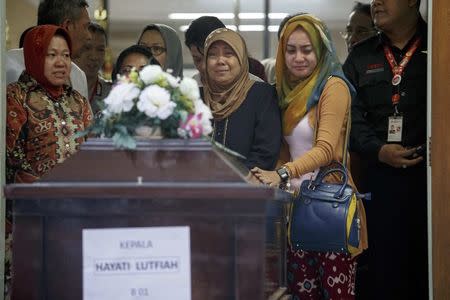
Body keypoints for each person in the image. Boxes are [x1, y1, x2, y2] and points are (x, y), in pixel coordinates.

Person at [251, 14, 367, 299]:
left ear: (321, 49)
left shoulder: (333, 86)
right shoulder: (284, 93)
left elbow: (325, 149)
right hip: (295, 210)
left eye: (307, 49)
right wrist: (268, 174)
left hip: (330, 209)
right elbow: (283, 150)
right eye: (291, 50)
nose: (298, 57)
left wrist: (281, 173)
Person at [343, 0, 428, 299]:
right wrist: (378, 150)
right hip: (377, 184)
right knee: (382, 275)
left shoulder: (438, 49)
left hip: (430, 185)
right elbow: (349, 117)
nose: (376, 2)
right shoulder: (360, 57)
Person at [5, 25, 93, 298]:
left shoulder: (79, 101)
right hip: (28, 216)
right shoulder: (14, 97)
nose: (60, 62)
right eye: (51, 54)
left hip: (74, 214)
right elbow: (9, 158)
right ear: (34, 56)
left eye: (66, 55)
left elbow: (92, 153)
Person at [202, 28, 282, 170]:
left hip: (246, 187)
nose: (220, 61)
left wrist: (229, 180)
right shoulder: (194, 98)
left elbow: (265, 155)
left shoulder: (262, 95)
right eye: (213, 55)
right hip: (196, 186)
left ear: (241, 58)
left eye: (229, 54)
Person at [6, 0, 91, 99]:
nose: (89, 36)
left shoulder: (78, 76)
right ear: (67, 26)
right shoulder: (6, 66)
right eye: (86, 27)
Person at [184, 16, 264, 86]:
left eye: (211, 56)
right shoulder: (188, 91)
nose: (203, 67)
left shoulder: (258, 89)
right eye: (197, 60)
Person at [74, 22, 111, 115]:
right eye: (87, 48)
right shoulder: (60, 90)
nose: (94, 56)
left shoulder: (112, 94)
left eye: (100, 50)